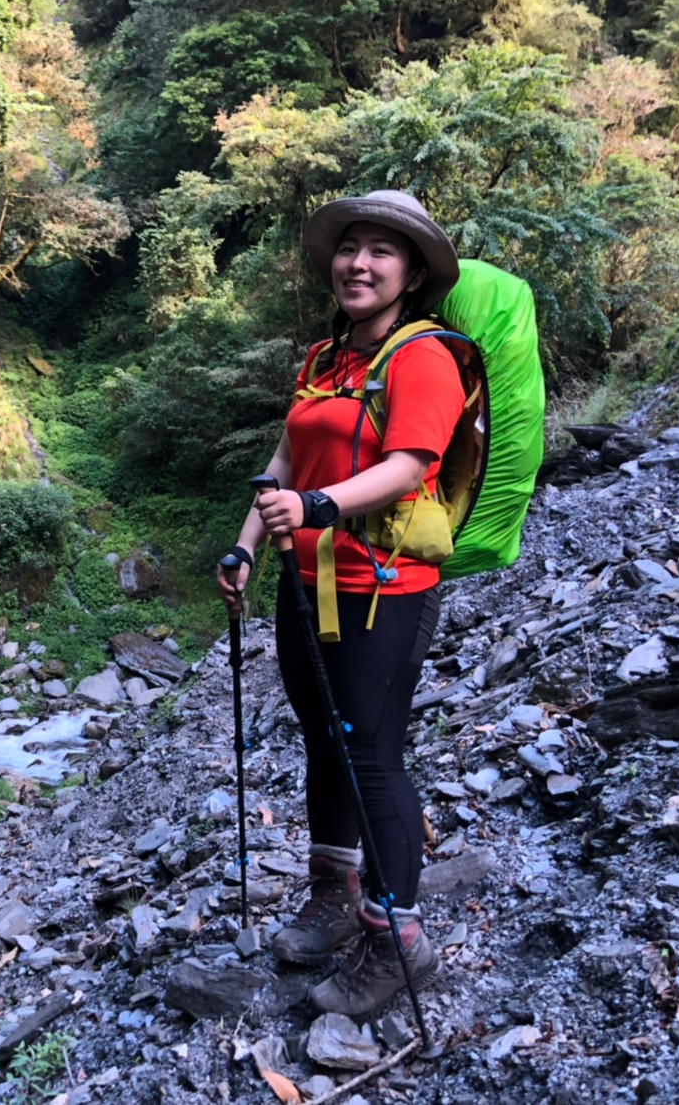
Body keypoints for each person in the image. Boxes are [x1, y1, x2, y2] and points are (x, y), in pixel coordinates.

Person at [216, 189, 463, 1017]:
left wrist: (321, 508)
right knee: (325, 742)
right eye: (349, 248)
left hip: (382, 590)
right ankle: (333, 894)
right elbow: (285, 458)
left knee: (372, 755)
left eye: (380, 252)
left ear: (413, 272)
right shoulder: (327, 359)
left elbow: (410, 462)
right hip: (305, 581)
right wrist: (246, 543)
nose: (358, 263)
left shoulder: (424, 356)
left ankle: (398, 941)